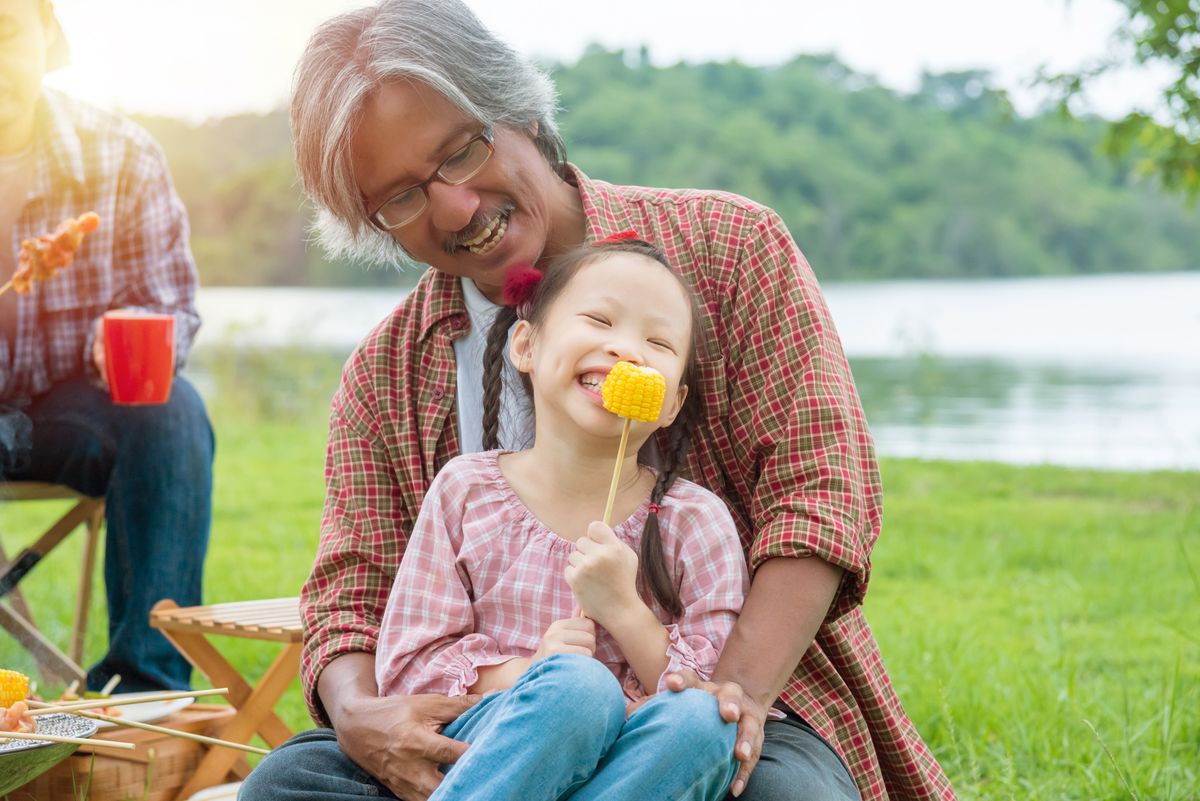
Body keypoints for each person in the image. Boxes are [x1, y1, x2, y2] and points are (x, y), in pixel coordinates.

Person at [247, 1, 958, 799]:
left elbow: (820, 496)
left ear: (518, 111)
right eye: (402, 198)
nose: (454, 207)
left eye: (460, 152)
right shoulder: (384, 373)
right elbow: (351, 591)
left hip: (723, 699)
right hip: (484, 726)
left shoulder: (731, 249)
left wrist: (731, 700)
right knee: (290, 781)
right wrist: (357, 717)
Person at [337, 237, 743, 799]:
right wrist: (534, 669)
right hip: (500, 744)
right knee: (579, 689)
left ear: (672, 403)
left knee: (704, 724)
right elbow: (411, 667)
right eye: (599, 319)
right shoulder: (466, 491)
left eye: (658, 341)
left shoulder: (696, 522)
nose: (626, 350)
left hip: (640, 762)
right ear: (525, 346)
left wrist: (623, 610)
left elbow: (715, 686)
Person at [0, 0, 213, 692]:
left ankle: (145, 686)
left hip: (74, 408)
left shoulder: (119, 155)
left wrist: (122, 337)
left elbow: (171, 308)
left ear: (46, 37)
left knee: (171, 406)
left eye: (4, 31)